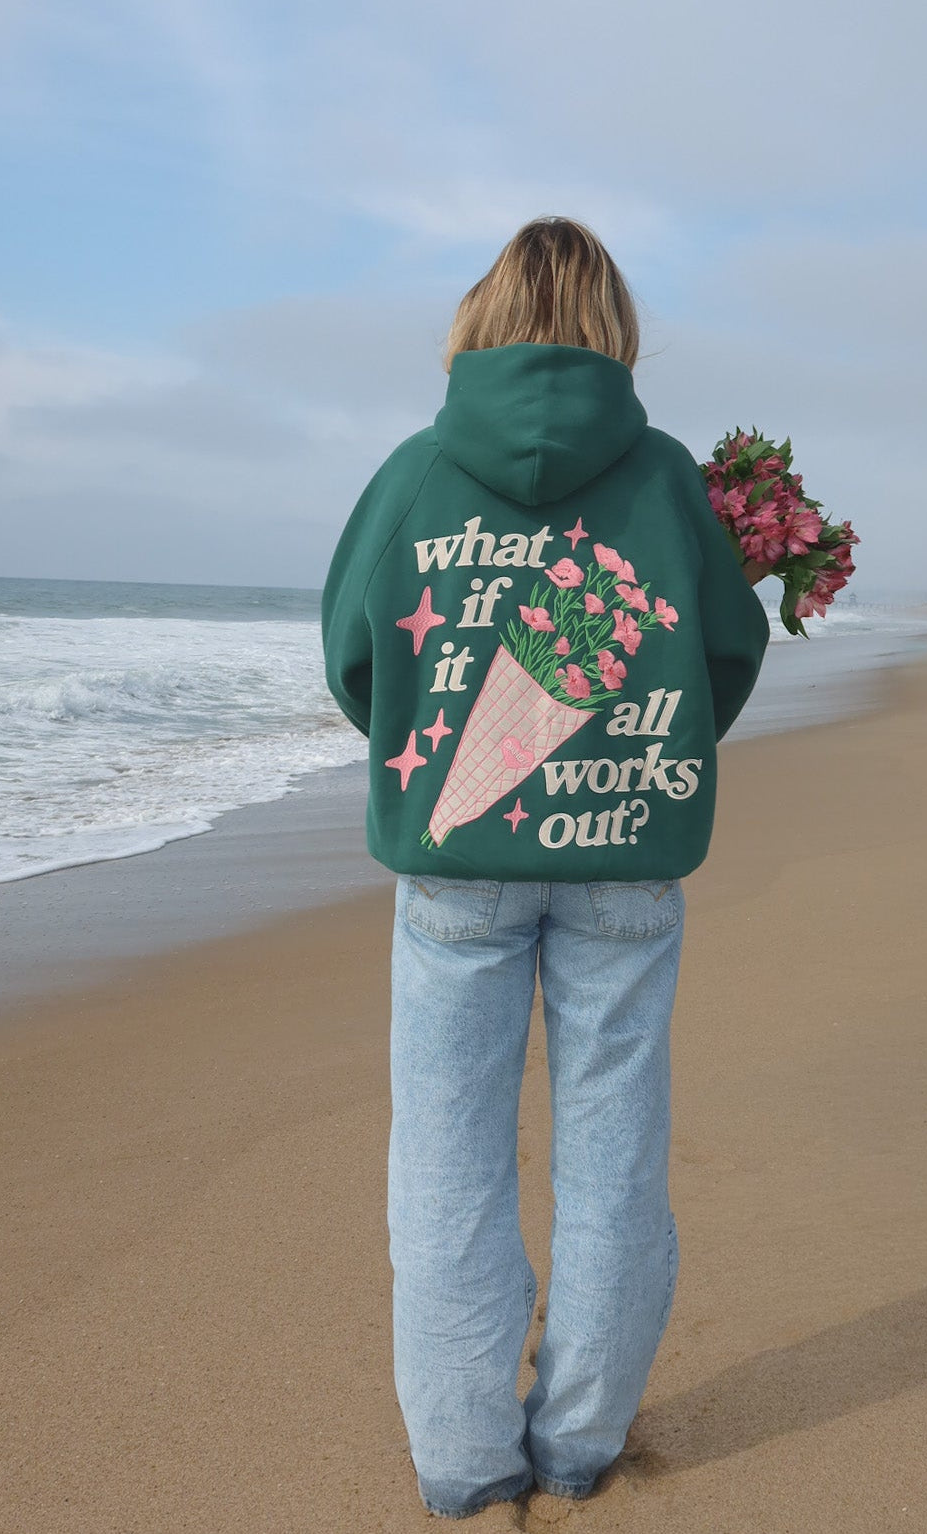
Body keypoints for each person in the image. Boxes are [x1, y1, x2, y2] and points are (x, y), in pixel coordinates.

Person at [321, 216, 770, 1519]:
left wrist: (433, 759)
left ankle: (468, 1465)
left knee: (448, 1166)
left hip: (454, 870)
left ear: (479, 322)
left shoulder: (413, 474)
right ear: (615, 332)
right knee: (614, 1157)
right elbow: (723, 656)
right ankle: (577, 1448)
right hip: (624, 856)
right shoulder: (668, 479)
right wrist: (643, 758)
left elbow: (358, 658)